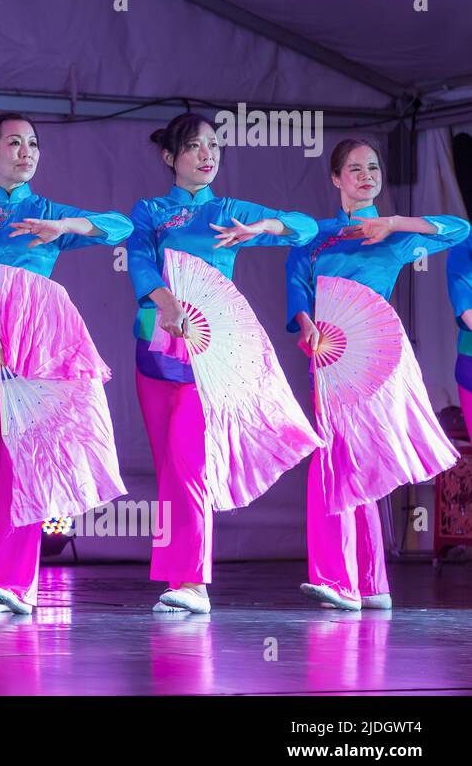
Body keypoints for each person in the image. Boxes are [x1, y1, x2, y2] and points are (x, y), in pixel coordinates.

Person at [127, 112, 316, 614]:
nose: (208, 155)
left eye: (214, 146)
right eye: (195, 147)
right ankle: (175, 574)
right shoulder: (149, 210)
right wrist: (166, 302)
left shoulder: (230, 210)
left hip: (209, 352)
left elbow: (304, 227)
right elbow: (141, 260)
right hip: (154, 345)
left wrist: (262, 226)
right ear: (171, 158)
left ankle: (193, 582)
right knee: (169, 464)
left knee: (191, 462)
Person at [0, 112, 130, 614]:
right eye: (13, 143)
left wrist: (63, 226)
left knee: (27, 462)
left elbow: (120, 226)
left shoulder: (49, 212)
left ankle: (18, 583)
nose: (26, 152)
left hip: (38, 347)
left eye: (33, 144)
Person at [290, 137, 469, 611]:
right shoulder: (316, 235)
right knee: (350, 461)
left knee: (336, 458)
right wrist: (304, 321)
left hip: (375, 357)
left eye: (373, 168)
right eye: (354, 169)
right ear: (335, 178)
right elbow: (297, 287)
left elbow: (458, 229)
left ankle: (338, 579)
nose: (366, 176)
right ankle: (372, 583)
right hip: (328, 355)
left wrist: (393, 222)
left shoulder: (394, 235)